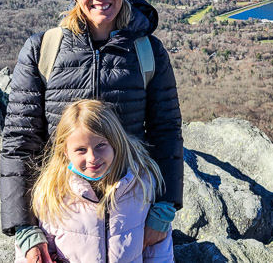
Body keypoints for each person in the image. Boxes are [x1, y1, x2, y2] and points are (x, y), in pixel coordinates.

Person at [1, 0, 183, 262]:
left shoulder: (147, 51)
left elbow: (166, 131)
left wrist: (164, 207)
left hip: (130, 202)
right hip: (62, 207)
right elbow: (19, 141)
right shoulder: (43, 50)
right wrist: (24, 229)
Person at [15, 99, 173, 263]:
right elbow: (33, 253)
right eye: (81, 150)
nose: (92, 158)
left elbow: (159, 252)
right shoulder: (51, 193)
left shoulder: (142, 184)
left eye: (100, 145)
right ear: (66, 152)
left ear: (115, 142)